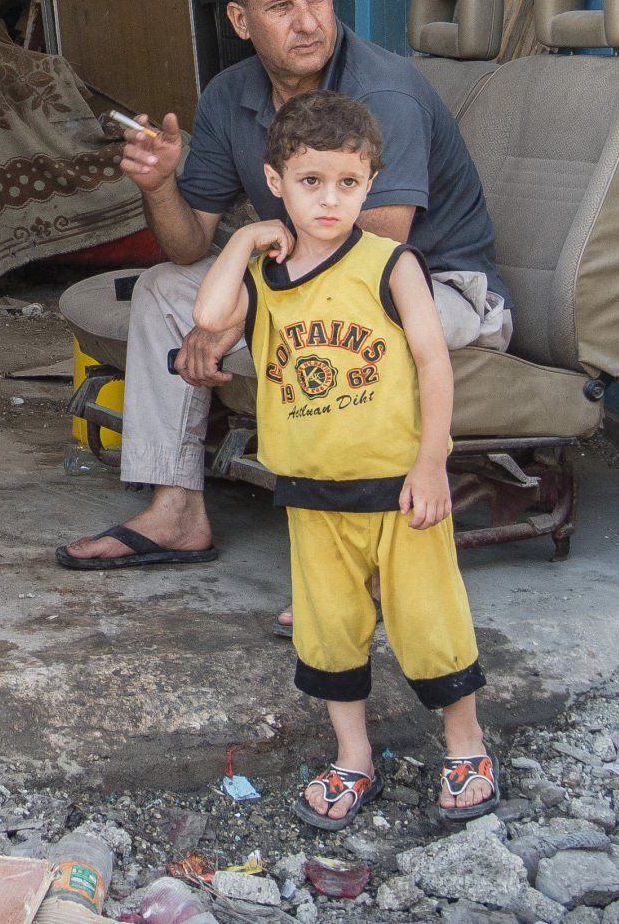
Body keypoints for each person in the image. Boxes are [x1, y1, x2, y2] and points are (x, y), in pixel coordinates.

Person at [57, 0, 510, 583]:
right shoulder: (229, 96)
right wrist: (159, 186)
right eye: (281, 6)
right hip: (305, 278)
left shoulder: (383, 93)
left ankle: (361, 552)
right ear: (240, 20)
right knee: (163, 286)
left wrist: (239, 314)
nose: (307, 21)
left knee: (336, 320)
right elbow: (188, 244)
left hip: (435, 289)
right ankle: (175, 510)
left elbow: (371, 259)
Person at [193, 90, 495, 827]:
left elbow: (434, 363)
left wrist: (431, 463)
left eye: (348, 183)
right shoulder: (265, 274)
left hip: (399, 488)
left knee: (429, 622)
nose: (330, 200)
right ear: (275, 181)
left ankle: (467, 745)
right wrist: (243, 239)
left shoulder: (391, 264)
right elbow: (207, 317)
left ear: (370, 183)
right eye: (310, 181)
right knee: (329, 632)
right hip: (312, 492)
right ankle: (353, 756)